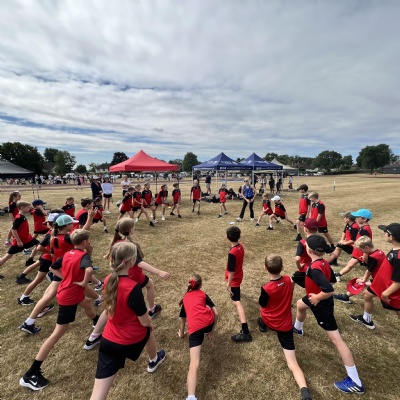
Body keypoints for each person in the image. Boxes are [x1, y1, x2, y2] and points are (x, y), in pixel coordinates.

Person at [20, 230, 99, 390]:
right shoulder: (83, 256)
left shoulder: (69, 253)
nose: (90, 243)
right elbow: (89, 270)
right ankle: (30, 374)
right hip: (69, 297)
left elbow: (52, 267)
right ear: (84, 242)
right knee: (57, 334)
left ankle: (96, 324)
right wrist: (84, 283)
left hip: (69, 292)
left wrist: (67, 278)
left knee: (87, 303)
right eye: (89, 241)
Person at [89, 242, 166, 400]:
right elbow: (144, 321)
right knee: (148, 331)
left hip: (108, 340)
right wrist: (150, 324)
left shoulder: (108, 279)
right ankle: (154, 360)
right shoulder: (133, 287)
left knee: (97, 396)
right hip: (129, 339)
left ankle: (154, 359)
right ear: (132, 261)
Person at [84, 218, 170, 349]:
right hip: (132, 277)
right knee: (150, 284)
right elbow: (139, 263)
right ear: (131, 230)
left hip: (117, 277)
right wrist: (159, 272)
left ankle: (93, 336)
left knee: (110, 308)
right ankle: (152, 309)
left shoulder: (116, 242)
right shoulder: (130, 246)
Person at [293, 235, 364, 394]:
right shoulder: (324, 262)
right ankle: (298, 328)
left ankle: (355, 381)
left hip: (321, 304)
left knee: (336, 340)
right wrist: (316, 293)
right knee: (300, 304)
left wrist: (318, 297)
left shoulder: (314, 268)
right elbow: (332, 280)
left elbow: (330, 290)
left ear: (309, 250)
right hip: (313, 297)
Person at [258, 255, 312, 400]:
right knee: (293, 363)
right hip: (285, 326)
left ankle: (262, 324)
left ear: (265, 268)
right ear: (282, 267)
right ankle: (304, 391)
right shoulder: (288, 279)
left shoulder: (266, 288)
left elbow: (262, 304)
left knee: (261, 314)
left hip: (270, 321)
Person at [350, 223, 400, 329]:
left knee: (397, 309)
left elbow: (398, 281)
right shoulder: (395, 249)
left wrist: (385, 294)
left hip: (389, 289)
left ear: (391, 237)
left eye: (385, 232)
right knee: (367, 295)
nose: (384, 234)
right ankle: (367, 320)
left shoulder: (398, 257)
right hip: (381, 284)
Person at [178, 274, 218, 400]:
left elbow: (183, 319)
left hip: (195, 330)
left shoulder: (185, 298)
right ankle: (207, 330)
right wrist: (211, 330)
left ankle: (191, 397)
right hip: (208, 325)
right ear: (201, 285)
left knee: (194, 363)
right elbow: (216, 313)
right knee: (208, 309)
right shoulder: (203, 294)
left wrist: (181, 333)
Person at [334, 237, 385, 304]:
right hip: (381, 277)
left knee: (362, 285)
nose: (362, 252)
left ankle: (345, 297)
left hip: (382, 280)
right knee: (362, 283)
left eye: (361, 250)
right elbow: (375, 266)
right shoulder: (380, 252)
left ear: (366, 248)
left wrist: (363, 280)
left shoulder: (373, 257)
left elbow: (369, 271)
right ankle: (345, 296)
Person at [225, 226, 252, 342]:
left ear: (227, 237)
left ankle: (245, 332)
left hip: (235, 280)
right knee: (237, 297)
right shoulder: (240, 246)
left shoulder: (232, 252)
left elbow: (231, 271)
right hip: (239, 275)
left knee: (236, 302)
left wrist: (229, 285)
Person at [334, 209, 373, 282]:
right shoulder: (362, 227)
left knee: (371, 268)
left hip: (363, 253)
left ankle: (376, 278)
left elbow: (366, 244)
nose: (356, 219)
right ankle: (337, 275)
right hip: (359, 252)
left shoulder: (365, 229)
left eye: (358, 217)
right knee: (350, 264)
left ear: (364, 219)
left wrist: (365, 256)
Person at [0, 202, 40, 271]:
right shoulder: (19, 217)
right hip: (20, 241)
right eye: (28, 207)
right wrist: (18, 241)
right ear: (22, 208)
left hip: (27, 239)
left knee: (39, 245)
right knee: (8, 256)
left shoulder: (22, 217)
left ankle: (30, 260)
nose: (29, 208)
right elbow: (13, 230)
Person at [292, 218, 318, 291]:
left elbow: (297, 259)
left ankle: (288, 298)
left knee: (292, 280)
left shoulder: (302, 242)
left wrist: (299, 266)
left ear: (305, 229)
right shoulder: (320, 240)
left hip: (305, 269)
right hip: (317, 267)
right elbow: (333, 253)